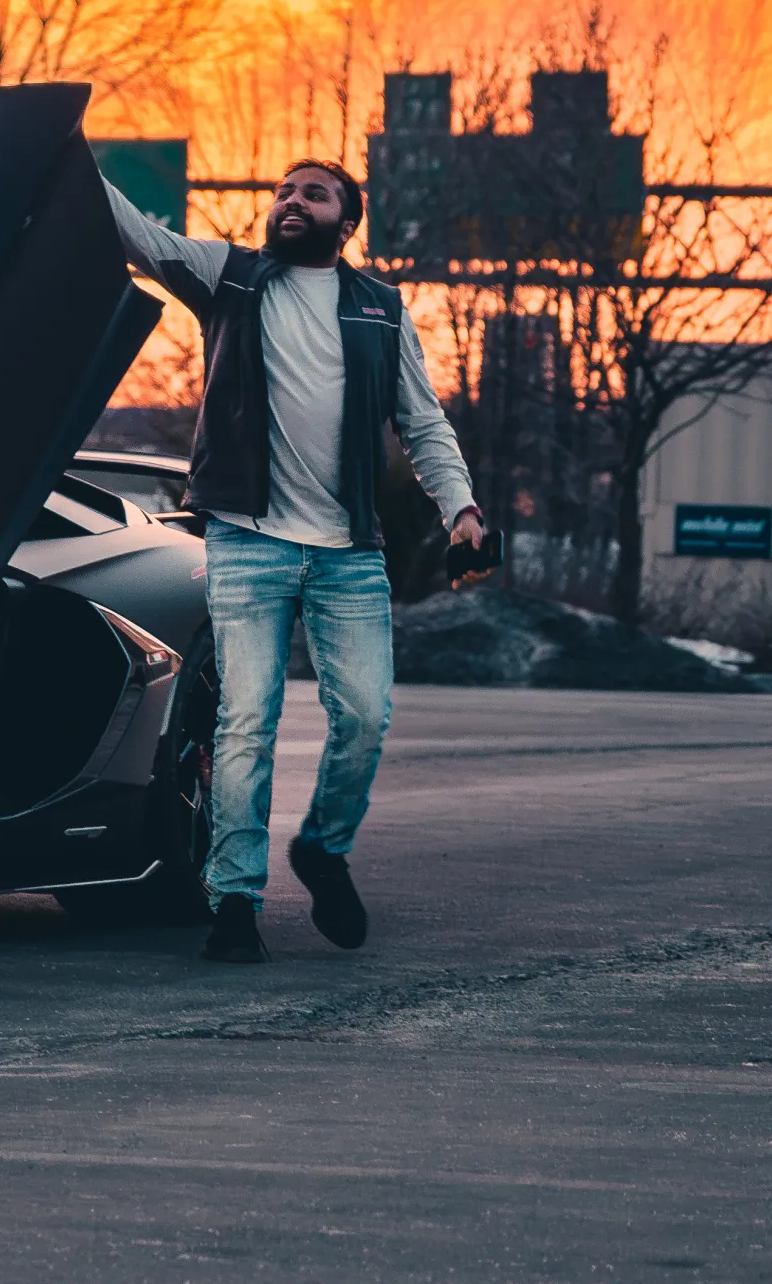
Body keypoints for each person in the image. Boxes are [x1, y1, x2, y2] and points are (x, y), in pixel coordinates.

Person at [105, 160, 486, 964]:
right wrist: (50, 149)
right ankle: (234, 900)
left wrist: (462, 510)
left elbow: (423, 423)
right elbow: (137, 236)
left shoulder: (382, 308)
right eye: (283, 191)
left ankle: (323, 848)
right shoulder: (231, 279)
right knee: (246, 723)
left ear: (346, 222)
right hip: (247, 539)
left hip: (349, 550)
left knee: (366, 717)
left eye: (313, 194)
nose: (290, 202)